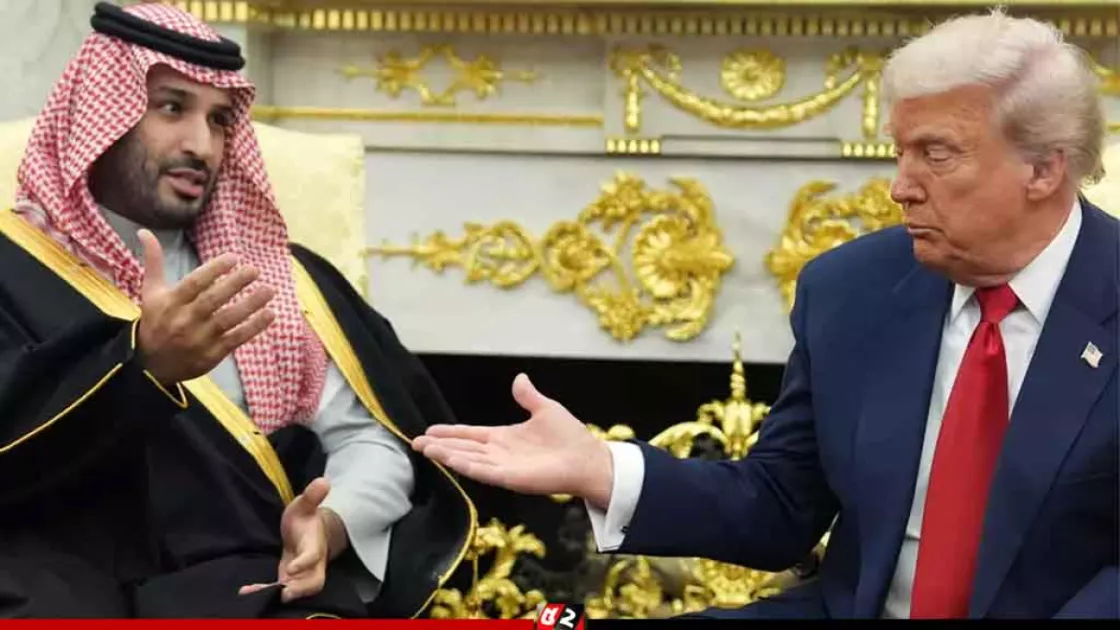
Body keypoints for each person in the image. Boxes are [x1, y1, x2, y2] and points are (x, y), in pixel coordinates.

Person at [413, 8, 1118, 620]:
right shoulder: (853, 289)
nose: (901, 188)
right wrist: (601, 468)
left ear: (1043, 168)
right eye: (900, 153)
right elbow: (781, 507)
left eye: (936, 155)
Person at [0, 1, 473, 619]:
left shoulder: (278, 280)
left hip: (245, 586)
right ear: (98, 113)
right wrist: (138, 365)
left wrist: (331, 524)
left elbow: (368, 441)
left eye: (220, 120)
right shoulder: (11, 268)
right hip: (55, 582)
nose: (202, 145)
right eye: (171, 108)